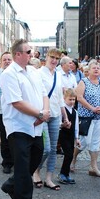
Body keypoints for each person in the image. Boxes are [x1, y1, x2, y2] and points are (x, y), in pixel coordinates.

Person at [0, 39, 50, 199]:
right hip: (19, 126)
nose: (32, 54)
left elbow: (44, 94)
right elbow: (17, 102)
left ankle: (11, 184)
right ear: (18, 54)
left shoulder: (33, 71)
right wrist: (40, 114)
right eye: (28, 52)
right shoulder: (9, 74)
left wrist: (45, 112)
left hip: (36, 125)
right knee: (22, 167)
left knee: (36, 158)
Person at [33, 48, 70, 191]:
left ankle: (49, 178)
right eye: (52, 57)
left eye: (57, 58)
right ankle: (36, 171)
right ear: (46, 57)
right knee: (45, 149)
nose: (54, 60)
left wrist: (65, 117)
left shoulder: (59, 75)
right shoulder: (38, 73)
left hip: (56, 115)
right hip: (42, 115)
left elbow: (60, 98)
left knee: (53, 149)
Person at [70, 59, 100, 177]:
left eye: (98, 68)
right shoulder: (84, 82)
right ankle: (73, 158)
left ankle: (94, 167)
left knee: (96, 142)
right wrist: (92, 108)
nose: (97, 69)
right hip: (87, 117)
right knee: (84, 142)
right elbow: (79, 97)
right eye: (94, 68)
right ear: (89, 70)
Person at [57, 88, 80, 184]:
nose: (72, 101)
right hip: (63, 135)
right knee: (68, 154)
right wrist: (63, 124)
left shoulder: (75, 112)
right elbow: (58, 123)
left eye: (73, 99)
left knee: (70, 155)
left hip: (71, 136)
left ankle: (66, 174)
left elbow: (76, 127)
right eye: (70, 99)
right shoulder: (62, 110)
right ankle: (62, 174)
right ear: (64, 99)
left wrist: (77, 138)